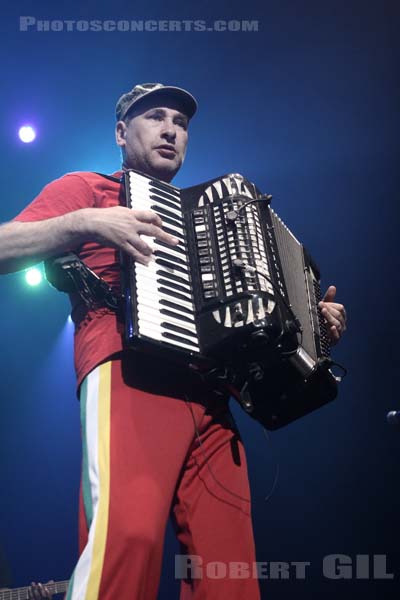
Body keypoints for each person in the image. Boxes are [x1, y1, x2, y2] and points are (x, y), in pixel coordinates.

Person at [0, 83, 347, 599]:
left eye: (181, 124)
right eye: (155, 118)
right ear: (121, 133)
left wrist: (313, 325)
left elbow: (255, 312)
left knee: (230, 573)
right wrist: (86, 221)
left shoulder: (209, 215)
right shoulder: (88, 187)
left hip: (211, 398)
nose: (170, 130)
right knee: (128, 542)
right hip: (129, 374)